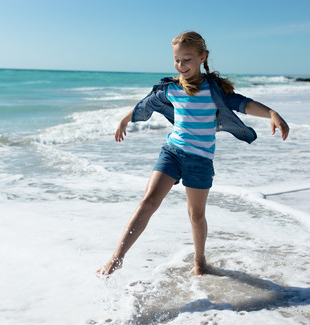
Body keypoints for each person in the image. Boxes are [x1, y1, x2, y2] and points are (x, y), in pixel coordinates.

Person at [98, 31, 289, 276]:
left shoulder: (215, 91)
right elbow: (145, 105)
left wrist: (272, 113)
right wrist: (126, 120)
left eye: (187, 59)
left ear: (202, 57)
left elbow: (244, 103)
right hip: (172, 153)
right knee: (148, 202)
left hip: (200, 160)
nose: (181, 65)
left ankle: (200, 260)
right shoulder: (171, 89)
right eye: (177, 60)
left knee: (196, 215)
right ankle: (117, 257)